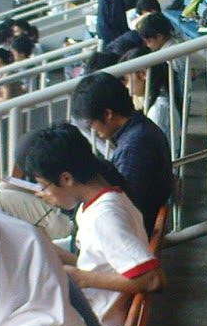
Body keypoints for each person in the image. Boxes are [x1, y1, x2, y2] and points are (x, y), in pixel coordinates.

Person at [17, 125, 160, 326]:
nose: (45, 193)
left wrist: (82, 278)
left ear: (66, 179)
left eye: (44, 185)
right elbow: (104, 263)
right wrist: (51, 251)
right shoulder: (103, 201)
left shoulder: (104, 216)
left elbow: (151, 279)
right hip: (94, 317)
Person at [68, 72, 172, 235]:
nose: (93, 130)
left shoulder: (135, 146)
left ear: (107, 114)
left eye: (91, 123)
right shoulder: (140, 130)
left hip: (133, 234)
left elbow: (123, 205)